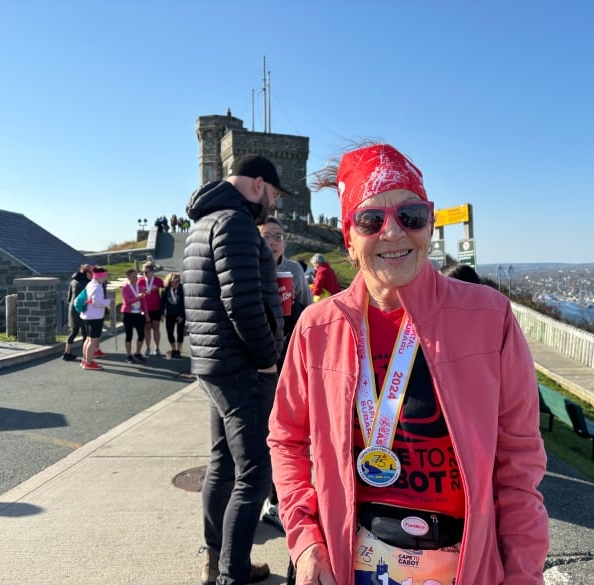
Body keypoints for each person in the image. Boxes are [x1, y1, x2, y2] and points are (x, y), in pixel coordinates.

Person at [268, 143, 549, 584]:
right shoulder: (316, 328)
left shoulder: (489, 318)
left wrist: (524, 575)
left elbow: (519, 468)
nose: (394, 232)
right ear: (349, 236)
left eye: (411, 216)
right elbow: (286, 441)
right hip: (350, 566)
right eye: (371, 219)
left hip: (464, 567)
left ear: (430, 224)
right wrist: (305, 542)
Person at [183, 153, 287, 585]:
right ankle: (232, 574)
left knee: (223, 464)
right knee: (256, 473)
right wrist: (266, 360)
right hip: (242, 367)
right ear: (259, 185)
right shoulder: (236, 223)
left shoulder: (201, 224)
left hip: (213, 364)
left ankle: (220, 563)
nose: (273, 207)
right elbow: (242, 303)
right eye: (275, 197)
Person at [257, 217, 313, 532]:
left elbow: (307, 308)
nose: (274, 242)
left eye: (278, 236)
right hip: (260, 363)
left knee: (289, 432)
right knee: (266, 434)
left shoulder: (293, 270)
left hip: (289, 359)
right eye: (267, 236)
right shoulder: (250, 266)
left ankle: (280, 500)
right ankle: (267, 497)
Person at [79, 266, 110, 371]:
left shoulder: (90, 284)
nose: (105, 278)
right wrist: (109, 301)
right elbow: (98, 302)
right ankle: (89, 362)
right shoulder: (98, 287)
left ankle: (85, 360)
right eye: (104, 276)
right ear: (100, 276)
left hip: (87, 315)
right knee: (92, 340)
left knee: (88, 339)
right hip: (95, 317)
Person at [62, 263, 92, 361]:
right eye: (91, 272)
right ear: (87, 272)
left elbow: (69, 297)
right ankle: (85, 355)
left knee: (74, 331)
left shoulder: (73, 281)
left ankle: (67, 352)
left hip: (72, 308)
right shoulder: (87, 283)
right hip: (83, 309)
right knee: (85, 333)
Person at [120, 268, 147, 364]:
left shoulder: (141, 287)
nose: (135, 278)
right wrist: (138, 297)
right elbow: (127, 301)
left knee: (141, 334)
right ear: (128, 277)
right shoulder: (125, 288)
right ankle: (128, 355)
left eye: (136, 276)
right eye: (133, 276)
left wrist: (146, 314)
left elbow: (144, 302)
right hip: (128, 314)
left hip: (139, 314)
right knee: (129, 335)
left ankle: (138, 353)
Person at [138, 261, 164, 356]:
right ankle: (148, 348)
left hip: (156, 308)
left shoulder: (158, 280)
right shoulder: (140, 281)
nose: (144, 273)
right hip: (145, 309)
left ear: (152, 271)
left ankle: (157, 348)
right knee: (147, 328)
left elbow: (164, 294)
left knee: (156, 328)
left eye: (146, 272)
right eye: (143, 272)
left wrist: (162, 312)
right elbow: (137, 294)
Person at [160, 272, 186, 358]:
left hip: (180, 314)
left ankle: (178, 350)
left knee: (180, 332)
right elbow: (163, 302)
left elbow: (185, 303)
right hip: (170, 314)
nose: (177, 283)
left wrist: (182, 315)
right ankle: (173, 349)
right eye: (175, 281)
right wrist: (162, 313)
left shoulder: (182, 289)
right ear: (170, 281)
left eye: (178, 281)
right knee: (170, 333)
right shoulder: (165, 290)